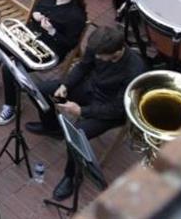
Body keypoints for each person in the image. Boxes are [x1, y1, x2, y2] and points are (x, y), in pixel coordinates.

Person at [26, 25, 145, 201]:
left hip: (109, 109)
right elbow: (83, 67)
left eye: (100, 56)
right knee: (40, 90)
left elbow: (118, 109)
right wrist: (65, 85)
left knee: (77, 133)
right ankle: (52, 127)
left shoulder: (135, 70)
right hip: (89, 88)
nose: (96, 58)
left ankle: (72, 176)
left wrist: (81, 111)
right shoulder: (98, 46)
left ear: (116, 52)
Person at [0, 0, 88, 126]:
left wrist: (52, 31)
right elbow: (39, 7)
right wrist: (36, 13)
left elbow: (70, 44)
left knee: (10, 68)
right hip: (29, 35)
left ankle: (11, 106)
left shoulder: (76, 16)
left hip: (48, 49)